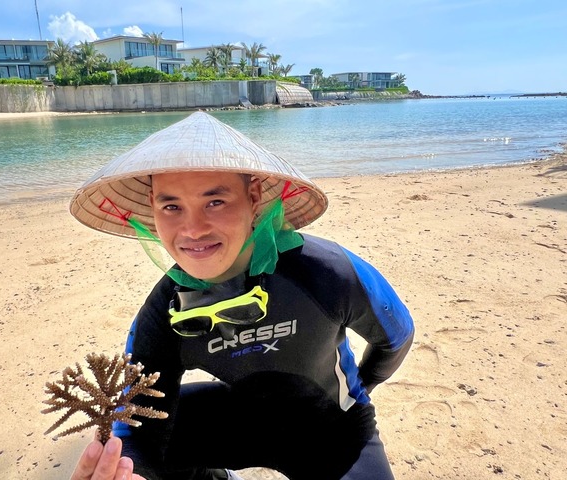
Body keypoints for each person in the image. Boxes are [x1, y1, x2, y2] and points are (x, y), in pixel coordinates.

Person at [68, 112, 415, 480]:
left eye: (215, 202)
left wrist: (360, 387)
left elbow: (396, 337)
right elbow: (137, 426)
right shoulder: (163, 311)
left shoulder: (326, 271)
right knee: (129, 445)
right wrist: (130, 473)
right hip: (238, 421)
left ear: (253, 197)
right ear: (152, 210)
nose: (193, 229)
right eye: (171, 207)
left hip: (332, 431)